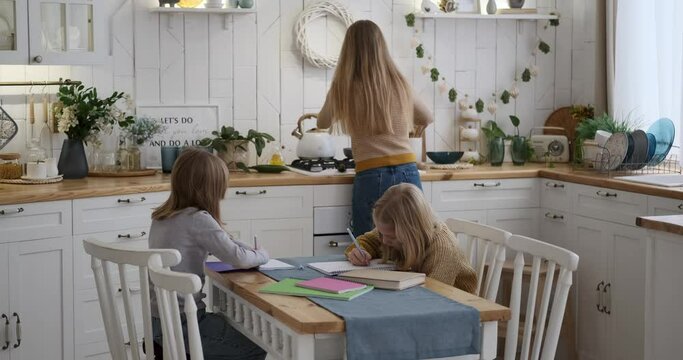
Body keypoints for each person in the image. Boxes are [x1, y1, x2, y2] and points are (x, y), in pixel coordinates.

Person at [148, 148, 268, 360]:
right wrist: (262, 255)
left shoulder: (161, 218)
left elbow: (224, 242)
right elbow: (239, 258)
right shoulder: (198, 219)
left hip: (157, 325)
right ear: (211, 189)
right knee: (255, 347)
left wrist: (240, 246)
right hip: (184, 326)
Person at [317, 20, 434, 236]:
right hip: (408, 170)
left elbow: (322, 123)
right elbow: (427, 116)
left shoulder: (343, 87)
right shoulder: (399, 82)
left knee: (370, 247)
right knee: (414, 243)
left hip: (371, 175)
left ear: (349, 52)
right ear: (381, 47)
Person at [345, 183, 477, 293]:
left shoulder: (443, 250)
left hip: (454, 312)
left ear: (411, 232)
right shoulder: (393, 230)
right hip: (414, 297)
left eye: (390, 237)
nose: (384, 240)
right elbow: (368, 241)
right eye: (381, 233)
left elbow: (432, 298)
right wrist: (359, 251)